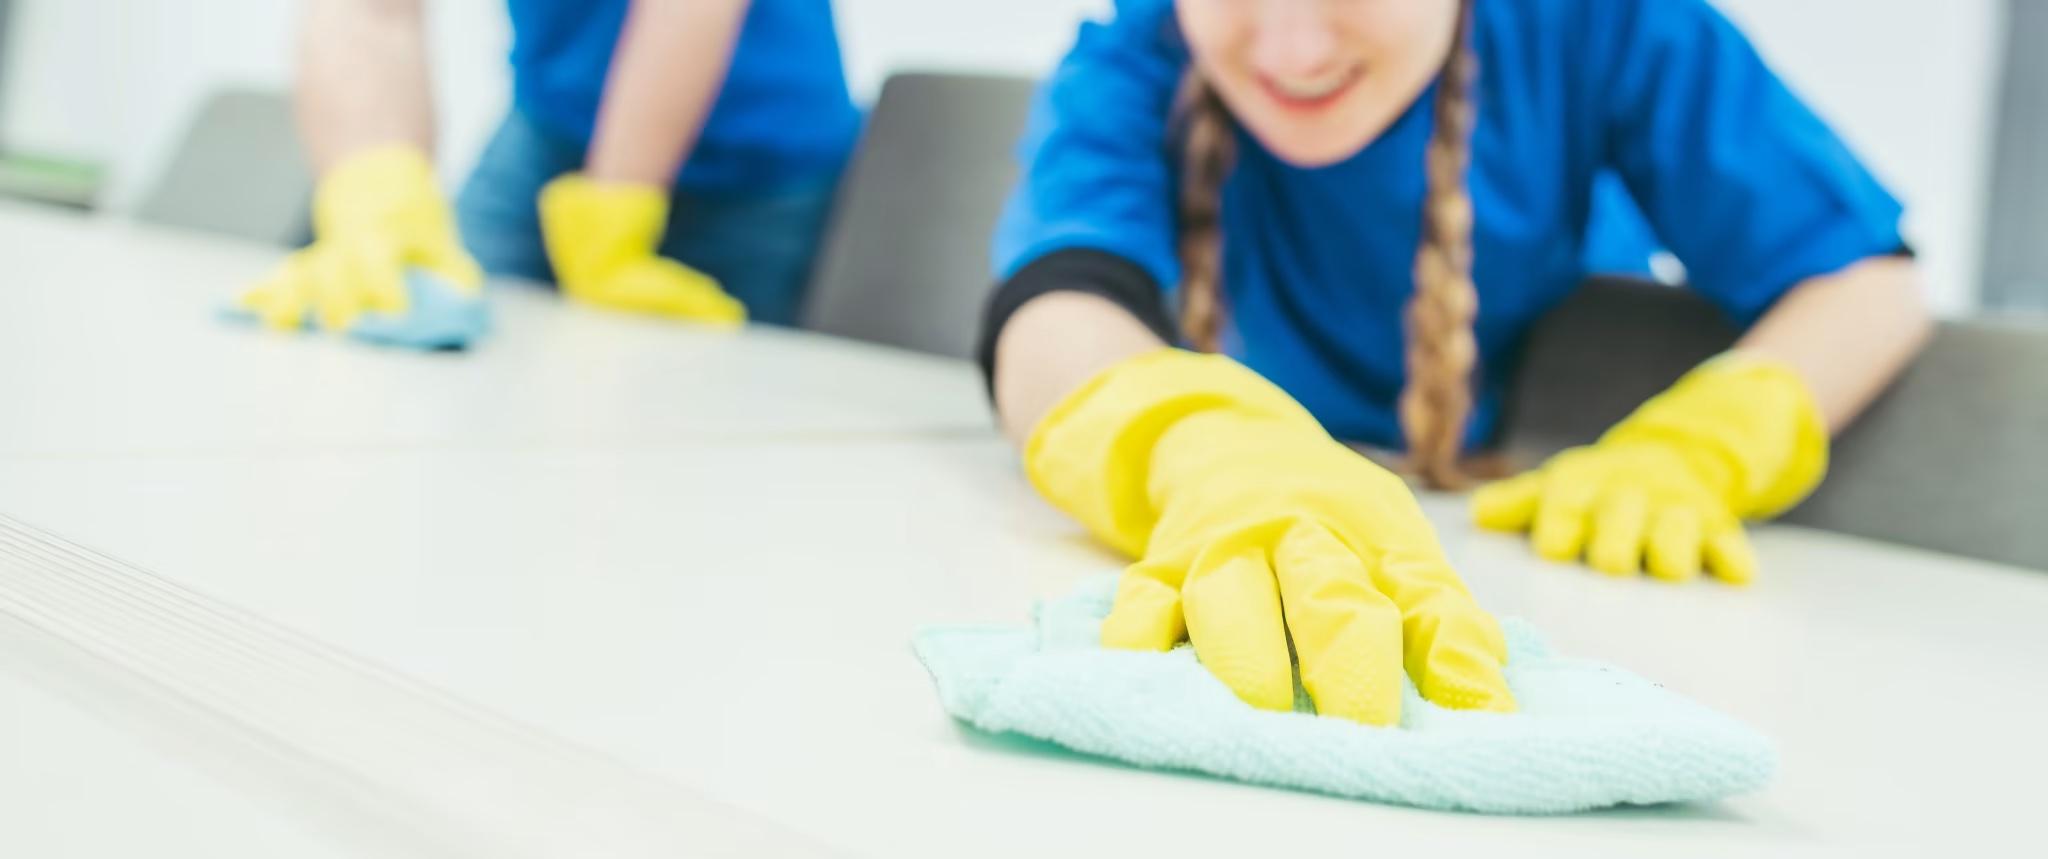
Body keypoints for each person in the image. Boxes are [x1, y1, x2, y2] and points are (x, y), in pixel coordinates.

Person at [979, 0, 1930, 726]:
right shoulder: (1142, 42)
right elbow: (1060, 301)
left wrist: (1700, 447)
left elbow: (1867, 283)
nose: (1292, 51)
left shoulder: (1599, 23)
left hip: (1547, 567)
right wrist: (1201, 452)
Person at [236, 0, 859, 340]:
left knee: (690, 421)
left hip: (754, 158)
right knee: (420, 319)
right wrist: (373, 195)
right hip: (551, 123)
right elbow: (369, 12)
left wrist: (616, 204)